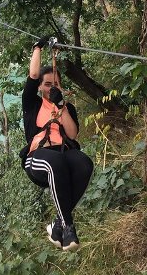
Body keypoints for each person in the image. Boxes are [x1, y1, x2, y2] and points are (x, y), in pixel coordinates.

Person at [19, 36, 94, 251]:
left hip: (63, 151)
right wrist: (38, 47)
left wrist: (60, 105)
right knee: (55, 162)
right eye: (47, 84)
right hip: (38, 157)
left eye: (55, 84)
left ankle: (58, 224)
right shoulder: (32, 104)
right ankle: (68, 227)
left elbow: (72, 134)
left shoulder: (66, 107)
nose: (51, 88)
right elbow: (33, 75)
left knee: (84, 163)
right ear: (41, 87)